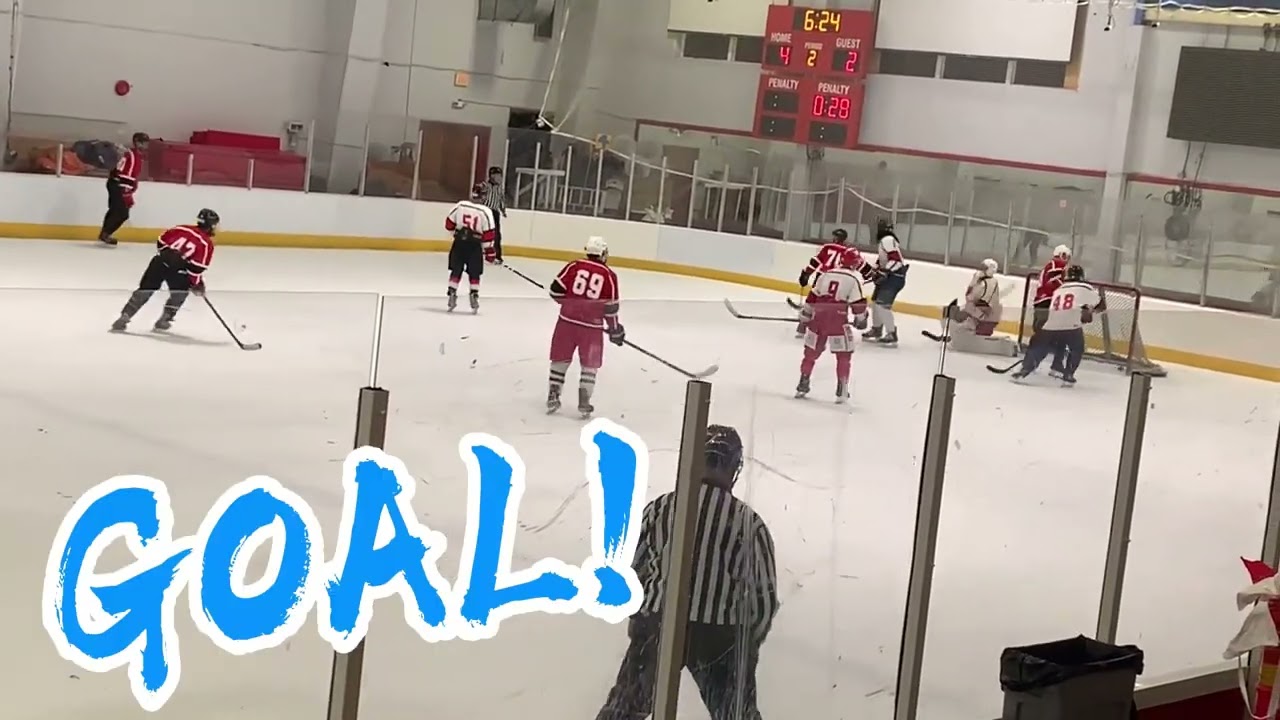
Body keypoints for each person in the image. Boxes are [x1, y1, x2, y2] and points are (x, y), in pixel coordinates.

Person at [595, 424, 776, 720]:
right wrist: (744, 646)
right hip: (718, 633)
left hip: (659, 620)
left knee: (624, 710)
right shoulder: (748, 523)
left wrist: (643, 620)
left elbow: (631, 572)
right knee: (736, 714)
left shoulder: (661, 508)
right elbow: (762, 600)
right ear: (733, 468)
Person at [547, 236, 623, 417]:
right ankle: (584, 401)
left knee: (560, 359)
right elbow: (610, 308)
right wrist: (614, 329)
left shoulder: (573, 266)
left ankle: (553, 395)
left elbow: (555, 291)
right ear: (603, 253)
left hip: (566, 322)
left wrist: (569, 304)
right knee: (590, 365)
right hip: (592, 328)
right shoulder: (609, 275)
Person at [110, 209, 218, 333]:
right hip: (178, 271)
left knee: (145, 289)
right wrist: (196, 284)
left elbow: (161, 241)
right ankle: (165, 319)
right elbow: (196, 268)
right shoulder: (206, 243)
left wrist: (167, 256)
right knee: (180, 293)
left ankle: (125, 315)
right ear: (211, 225)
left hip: (159, 262)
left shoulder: (181, 228)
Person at [796, 246, 869, 403]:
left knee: (810, 353)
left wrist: (806, 315)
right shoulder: (854, 279)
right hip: (838, 320)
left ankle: (803, 382)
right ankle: (842, 390)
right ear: (855, 263)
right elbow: (858, 305)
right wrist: (861, 319)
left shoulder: (825, 274)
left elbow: (812, 297)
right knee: (844, 355)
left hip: (819, 317)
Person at [1014, 264, 1102, 386]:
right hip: (1071, 324)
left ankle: (1025, 370)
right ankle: (1068, 375)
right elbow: (1100, 305)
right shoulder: (1085, 288)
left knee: (1041, 347)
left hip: (1051, 323)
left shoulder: (1059, 289)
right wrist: (1090, 310)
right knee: (1077, 348)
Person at [795, 228, 867, 338]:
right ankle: (834, 326)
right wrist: (872, 275)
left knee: (815, 299)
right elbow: (860, 265)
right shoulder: (847, 251)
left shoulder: (827, 247)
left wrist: (806, 273)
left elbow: (815, 262)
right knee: (837, 304)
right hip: (842, 279)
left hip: (823, 277)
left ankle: (804, 324)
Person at [941, 258, 1017, 357]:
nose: (981, 270)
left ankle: (959, 340)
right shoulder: (989, 282)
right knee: (956, 314)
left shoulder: (985, 283)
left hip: (982, 317)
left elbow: (970, 297)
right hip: (982, 315)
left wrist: (973, 282)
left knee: (955, 319)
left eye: (984, 268)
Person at [443, 184, 497, 313]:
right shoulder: (485, 212)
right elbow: (489, 235)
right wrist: (489, 252)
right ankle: (474, 294)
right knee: (475, 272)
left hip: (459, 243)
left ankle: (452, 292)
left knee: (456, 269)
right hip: (474, 246)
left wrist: (455, 234)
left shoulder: (460, 205)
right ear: (484, 196)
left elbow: (449, 224)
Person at [863, 217, 909, 347]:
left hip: (894, 278)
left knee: (882, 305)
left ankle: (891, 333)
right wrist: (876, 270)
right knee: (875, 303)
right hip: (890, 277)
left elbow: (895, 260)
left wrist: (884, 271)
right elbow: (884, 259)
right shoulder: (886, 240)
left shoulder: (887, 239)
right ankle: (877, 329)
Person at [99, 132, 150, 246]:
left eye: (146, 142)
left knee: (116, 210)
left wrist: (130, 188)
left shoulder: (136, 155)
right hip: (118, 184)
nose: (146, 145)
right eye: (143, 142)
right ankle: (105, 233)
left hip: (119, 184)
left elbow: (130, 174)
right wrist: (126, 191)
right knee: (121, 212)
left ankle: (105, 233)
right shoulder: (131, 154)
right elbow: (123, 172)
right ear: (137, 142)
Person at [478, 166, 508, 262]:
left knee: (496, 235)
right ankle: (478, 252)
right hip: (485, 211)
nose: (499, 178)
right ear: (491, 176)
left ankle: (497, 255)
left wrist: (503, 210)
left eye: (500, 176)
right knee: (481, 233)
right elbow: (477, 194)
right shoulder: (485, 185)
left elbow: (501, 200)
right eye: (496, 175)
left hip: (495, 212)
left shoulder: (500, 188)